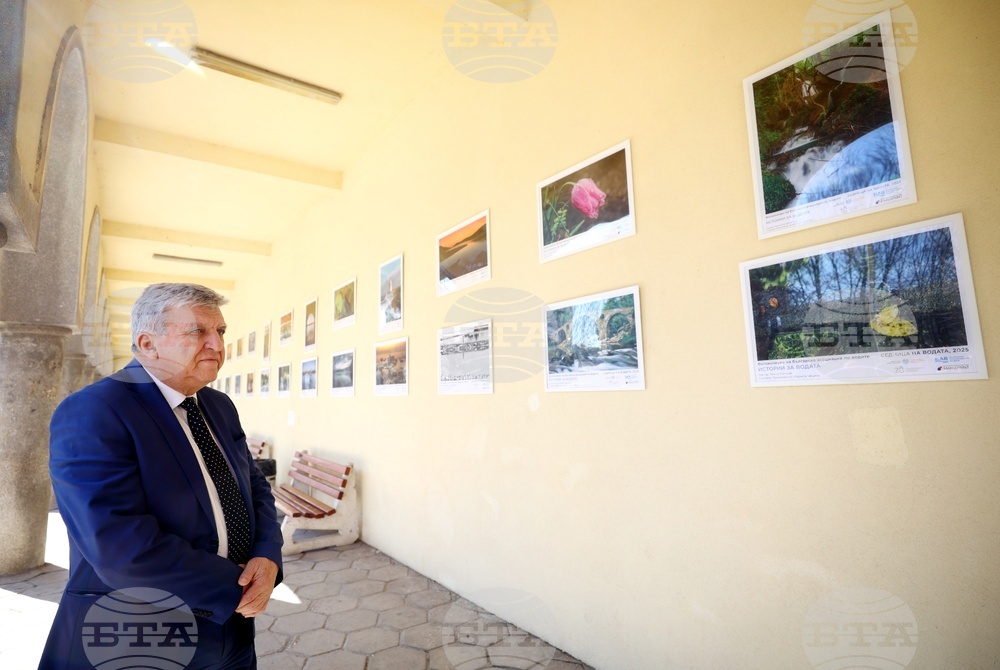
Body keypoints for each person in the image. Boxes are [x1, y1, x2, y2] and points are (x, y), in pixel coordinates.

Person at [39, 283, 283, 670]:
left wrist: (267, 558)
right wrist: (234, 586)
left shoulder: (218, 405)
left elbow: (252, 486)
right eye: (197, 331)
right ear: (148, 343)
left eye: (220, 332)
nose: (217, 345)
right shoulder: (94, 410)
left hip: (233, 631)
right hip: (140, 632)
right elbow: (118, 547)